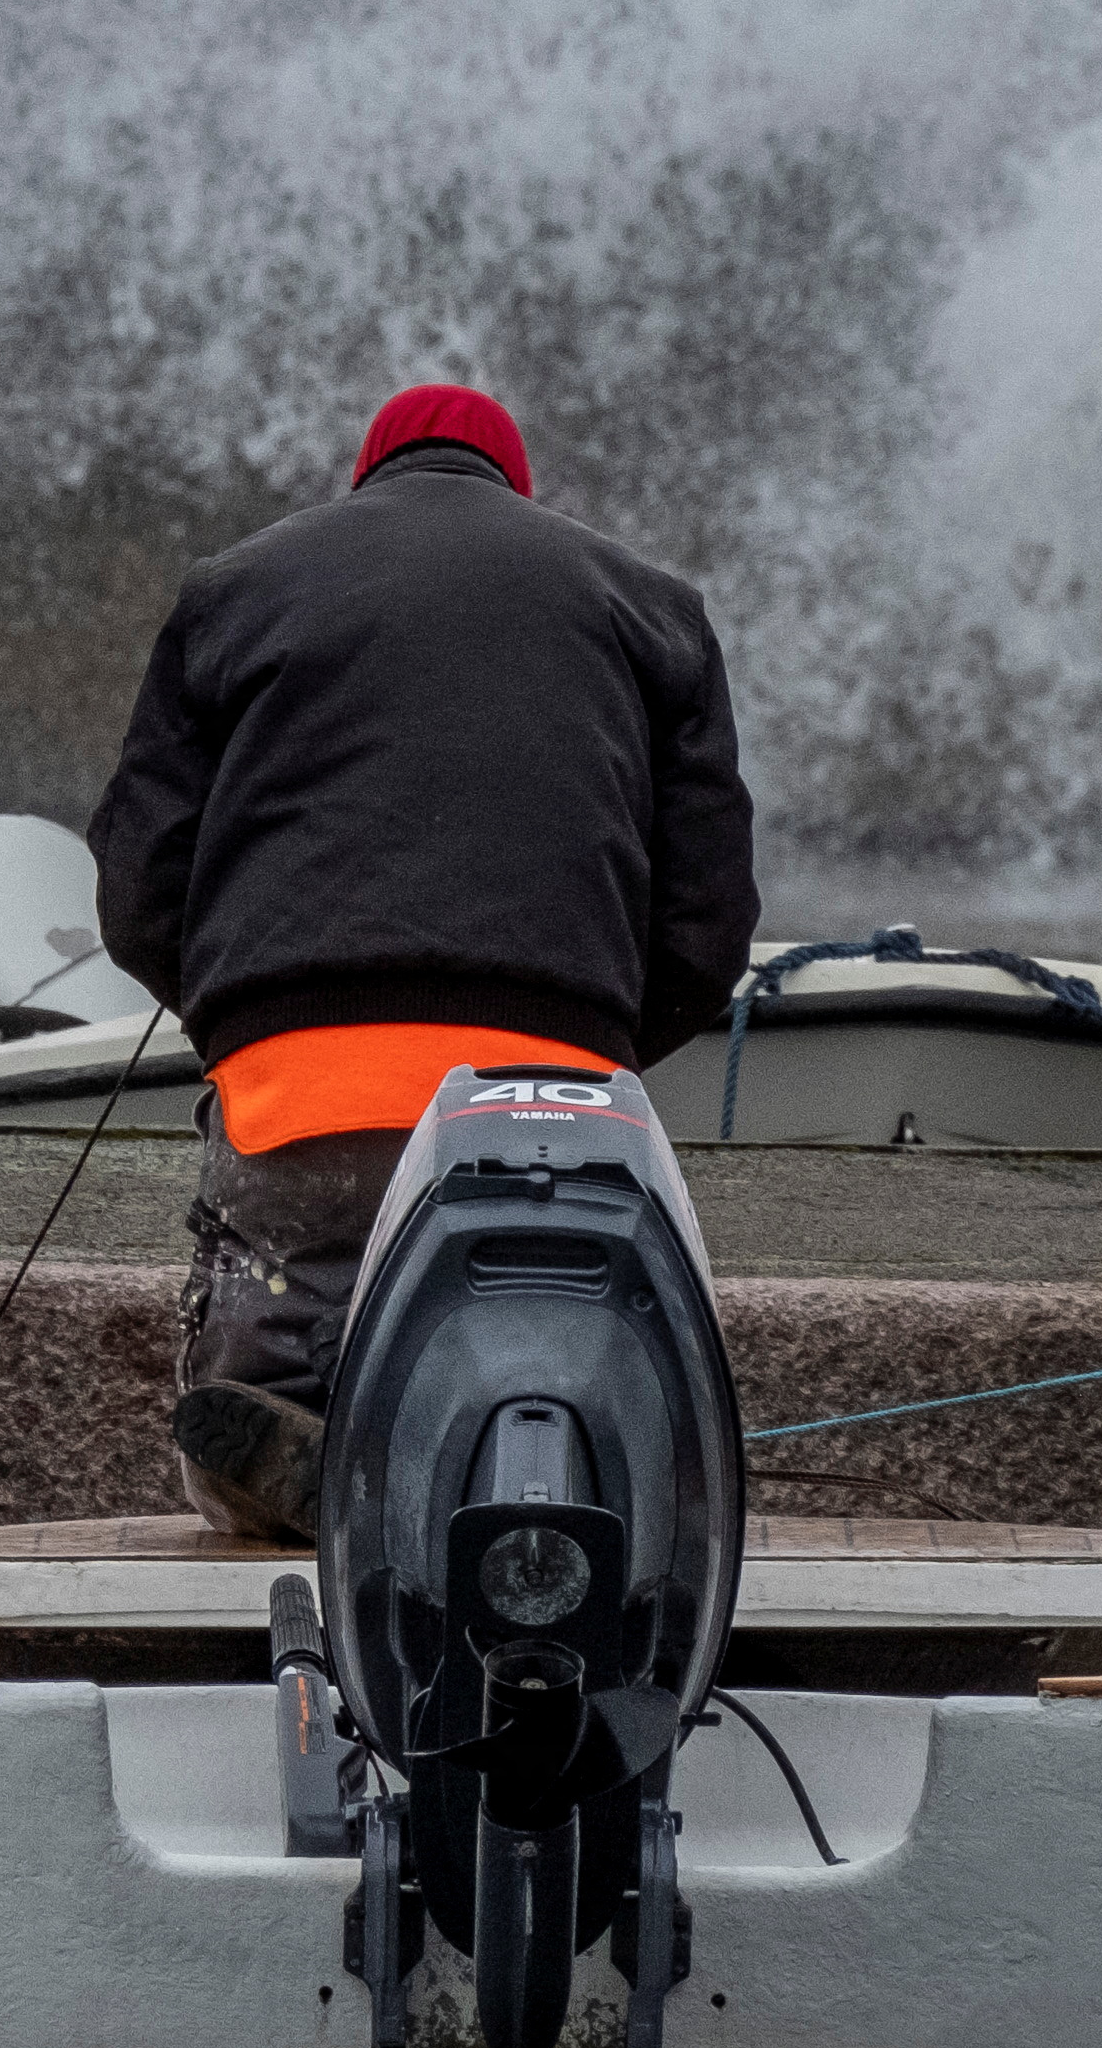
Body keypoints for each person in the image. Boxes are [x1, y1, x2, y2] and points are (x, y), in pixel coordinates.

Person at [83, 380, 756, 1543]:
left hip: (302, 1090)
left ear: (370, 476)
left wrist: (245, 1021)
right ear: (518, 487)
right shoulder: (657, 613)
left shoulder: (234, 592)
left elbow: (139, 887)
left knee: (254, 1399)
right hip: (549, 1095)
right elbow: (709, 927)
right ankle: (486, 1468)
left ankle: (293, 1433)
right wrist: (595, 1046)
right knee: (532, 1351)